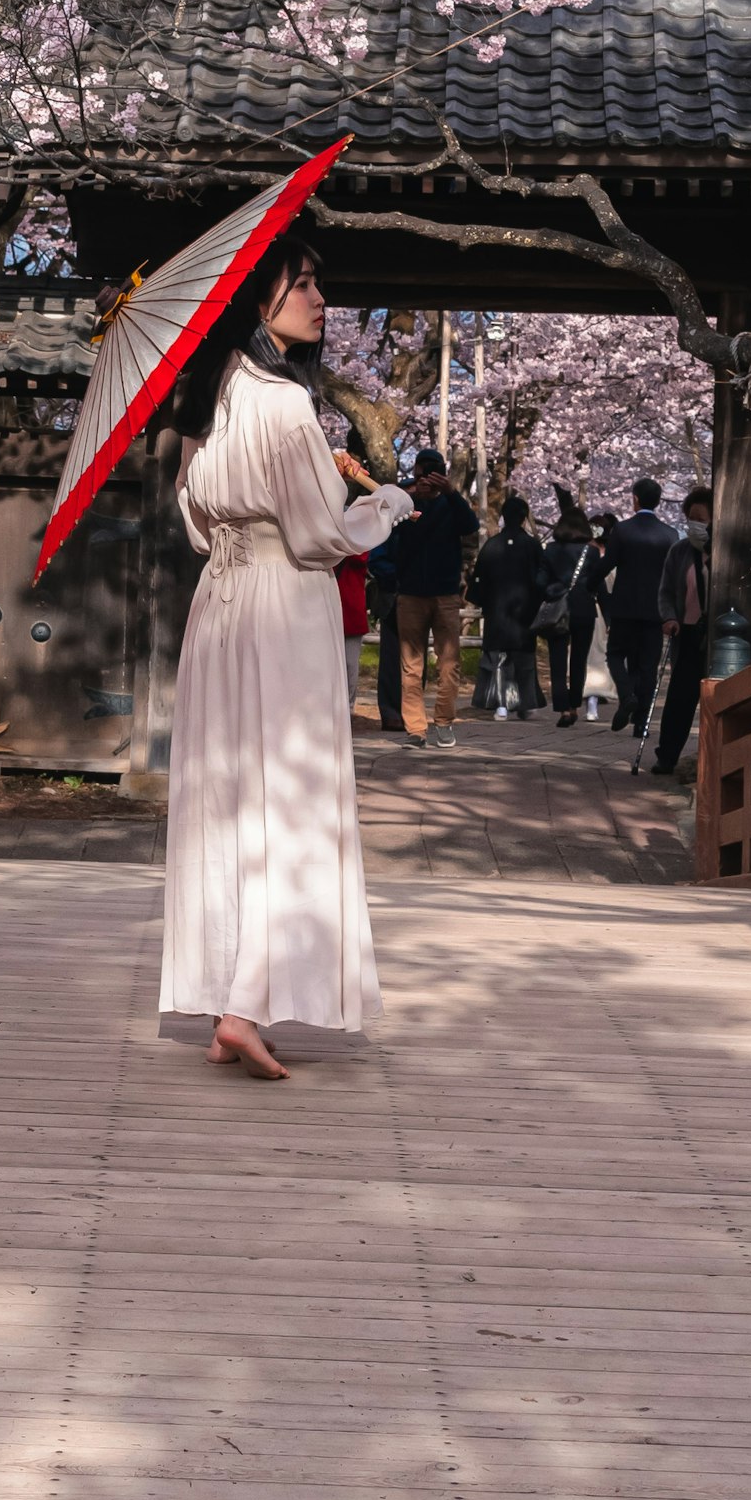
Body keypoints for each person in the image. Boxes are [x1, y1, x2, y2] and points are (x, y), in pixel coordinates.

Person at [159, 233, 405, 1078]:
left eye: (317, 285)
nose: (318, 299)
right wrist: (389, 504)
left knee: (227, 800)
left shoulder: (208, 399)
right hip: (284, 609)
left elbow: (196, 523)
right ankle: (244, 1003)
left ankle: (234, 987)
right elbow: (319, 535)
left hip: (219, 610)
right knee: (289, 801)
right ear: (257, 297)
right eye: (300, 284)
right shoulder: (286, 405)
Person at [377, 447, 481, 737]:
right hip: (409, 594)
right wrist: (410, 498)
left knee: (449, 663)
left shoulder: (451, 505)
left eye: (433, 475)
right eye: (422, 475)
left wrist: (451, 493)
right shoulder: (408, 507)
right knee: (410, 666)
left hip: (445, 594)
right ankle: (416, 728)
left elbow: (470, 525)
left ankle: (444, 722)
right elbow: (388, 531)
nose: (426, 480)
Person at [648, 478, 715, 780]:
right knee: (679, 699)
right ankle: (667, 755)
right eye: (691, 519)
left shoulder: (724, 551)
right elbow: (664, 591)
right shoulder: (679, 552)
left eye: (701, 520)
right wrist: (668, 617)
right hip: (686, 633)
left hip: (718, 635)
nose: (695, 525)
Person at [601, 475, 674, 734]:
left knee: (616, 655)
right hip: (655, 611)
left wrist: (588, 584)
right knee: (647, 665)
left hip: (624, 607)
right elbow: (674, 576)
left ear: (635, 499)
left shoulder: (622, 530)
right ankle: (641, 722)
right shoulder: (670, 535)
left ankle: (626, 695)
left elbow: (606, 565)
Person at [473, 490, 548, 717]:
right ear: (525, 517)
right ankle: (525, 705)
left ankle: (501, 704)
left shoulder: (492, 545)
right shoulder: (533, 546)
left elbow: (479, 578)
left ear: (504, 516)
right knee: (523, 658)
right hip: (525, 611)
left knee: (497, 658)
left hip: (496, 610)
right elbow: (542, 578)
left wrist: (484, 601)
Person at [537, 486, 601, 723]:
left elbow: (539, 581)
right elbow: (597, 583)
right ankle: (575, 705)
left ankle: (563, 707)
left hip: (558, 608)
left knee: (556, 660)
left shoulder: (551, 550)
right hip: (584, 609)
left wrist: (552, 590)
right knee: (579, 660)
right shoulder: (591, 553)